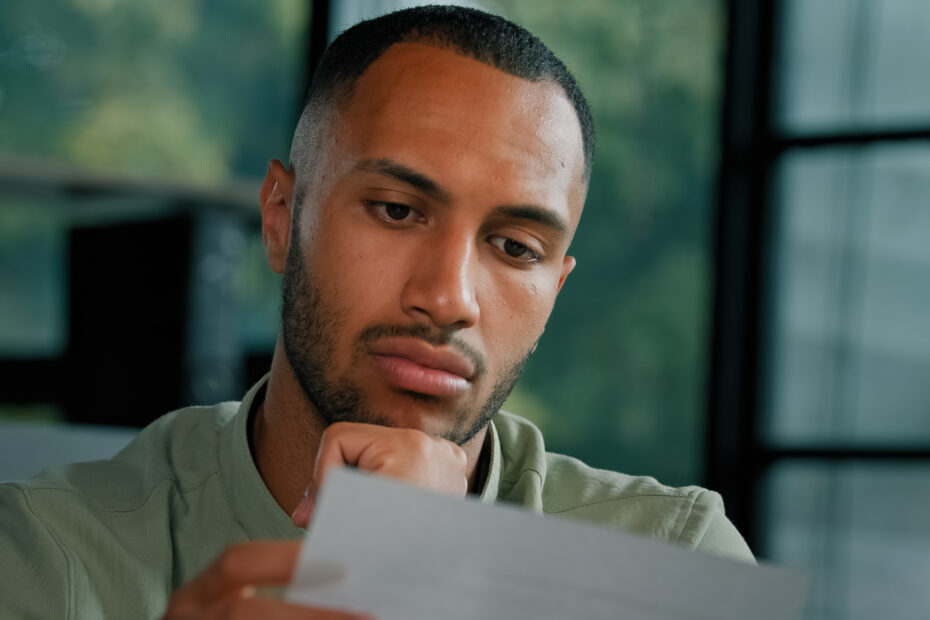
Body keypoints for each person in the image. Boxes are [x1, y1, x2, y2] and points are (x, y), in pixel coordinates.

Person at [0, 6, 753, 619]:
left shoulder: (674, 565)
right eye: (397, 210)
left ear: (555, 291)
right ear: (281, 218)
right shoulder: (46, 555)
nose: (449, 297)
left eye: (516, 248)